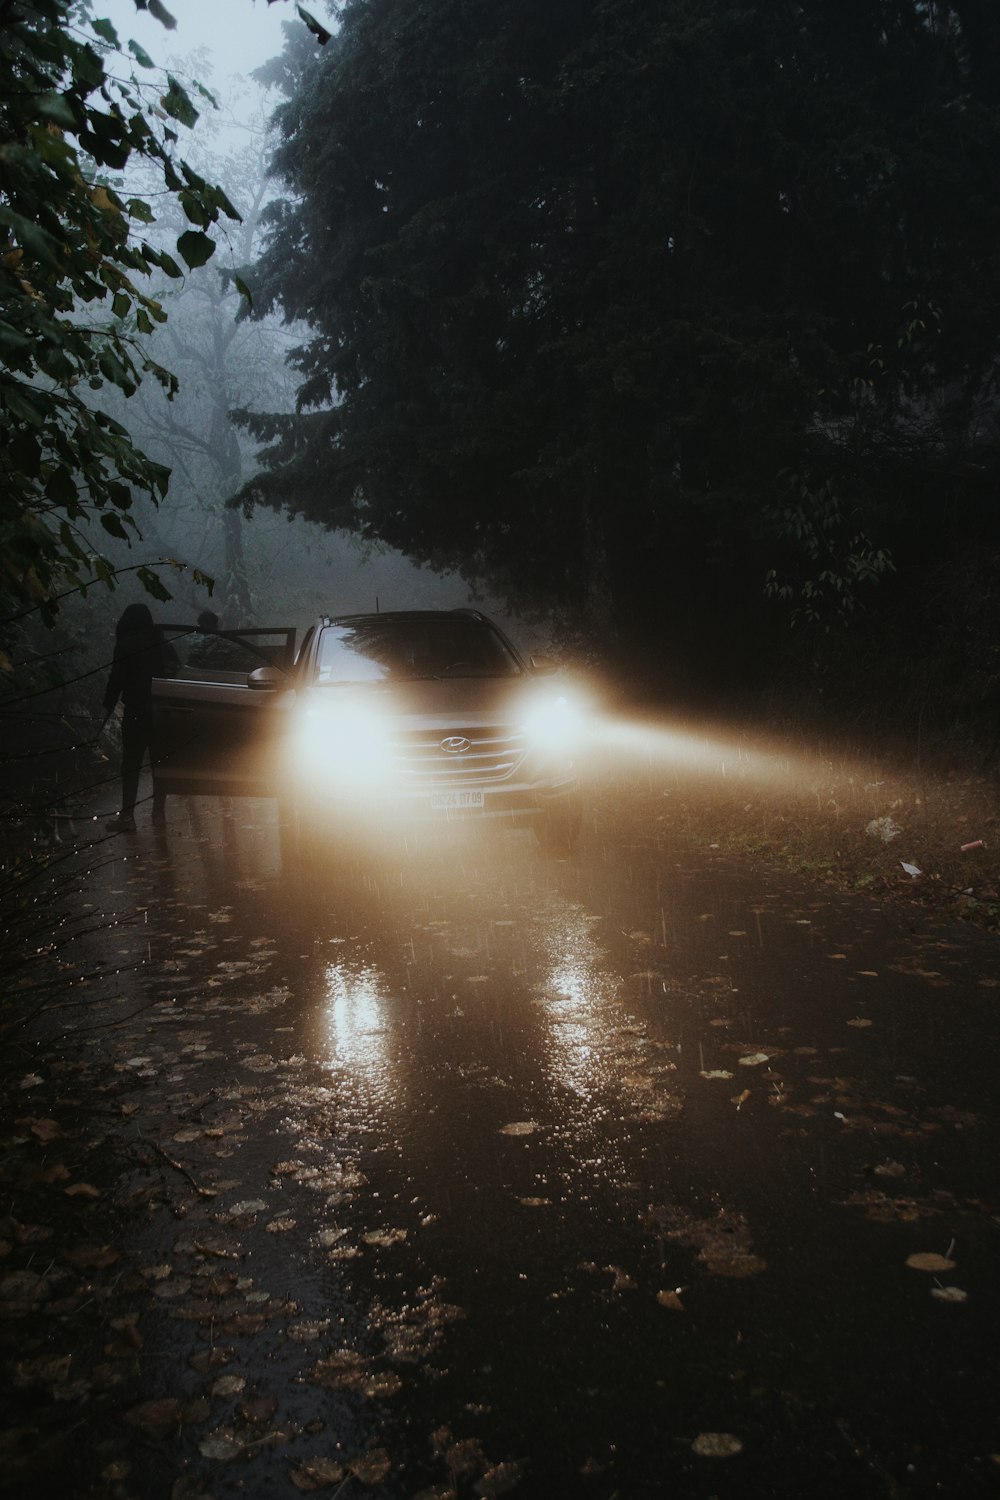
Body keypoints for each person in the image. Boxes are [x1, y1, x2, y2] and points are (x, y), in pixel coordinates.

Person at [102, 602, 168, 832]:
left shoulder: (126, 644)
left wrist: (108, 704)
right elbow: (175, 669)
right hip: (161, 711)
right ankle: (159, 811)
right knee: (160, 763)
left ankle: (127, 816)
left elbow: (116, 678)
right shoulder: (161, 641)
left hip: (136, 712)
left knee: (131, 763)